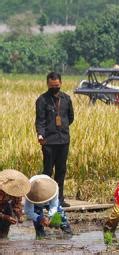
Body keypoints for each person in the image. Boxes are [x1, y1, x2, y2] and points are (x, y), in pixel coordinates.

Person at [35, 72, 74, 208]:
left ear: (61, 83)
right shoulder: (42, 100)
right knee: (47, 171)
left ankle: (59, 199)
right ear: (47, 84)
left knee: (61, 170)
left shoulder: (67, 99)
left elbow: (70, 118)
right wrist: (40, 134)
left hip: (63, 140)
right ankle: (45, 200)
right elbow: (40, 120)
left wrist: (61, 127)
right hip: (48, 141)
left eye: (57, 85)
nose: (55, 88)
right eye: (52, 86)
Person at [0, 169, 30, 239]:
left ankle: (3, 236)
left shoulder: (16, 191)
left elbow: (17, 206)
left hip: (5, 211)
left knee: (3, 237)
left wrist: (20, 216)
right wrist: (4, 217)